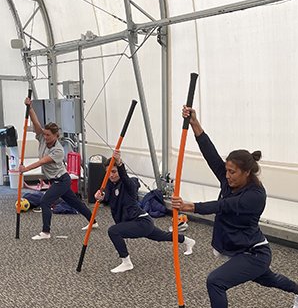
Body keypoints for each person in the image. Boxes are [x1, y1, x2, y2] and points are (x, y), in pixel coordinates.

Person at [169, 105, 298, 308]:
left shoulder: (255, 195)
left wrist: (190, 206)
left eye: (233, 172)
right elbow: (211, 155)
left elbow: (225, 206)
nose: (227, 175)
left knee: (215, 281)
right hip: (241, 251)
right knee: (269, 279)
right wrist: (195, 124)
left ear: (247, 172)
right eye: (227, 171)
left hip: (254, 253)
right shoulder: (229, 178)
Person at [96, 151, 193, 273]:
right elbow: (107, 197)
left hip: (141, 221)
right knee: (162, 236)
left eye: (114, 171)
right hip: (135, 222)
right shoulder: (110, 185)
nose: (111, 175)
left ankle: (126, 262)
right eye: (108, 172)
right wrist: (101, 198)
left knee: (113, 231)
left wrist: (120, 164)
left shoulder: (129, 184)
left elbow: (125, 178)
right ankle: (188, 241)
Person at [16, 96, 94, 240]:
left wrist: (25, 169)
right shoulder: (42, 138)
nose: (44, 137)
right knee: (74, 202)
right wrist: (30, 107)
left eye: (48, 135)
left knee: (45, 201)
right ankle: (93, 221)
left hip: (61, 180)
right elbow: (36, 123)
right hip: (55, 180)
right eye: (44, 134)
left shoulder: (58, 150)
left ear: (56, 136)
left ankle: (46, 232)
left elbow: (42, 162)